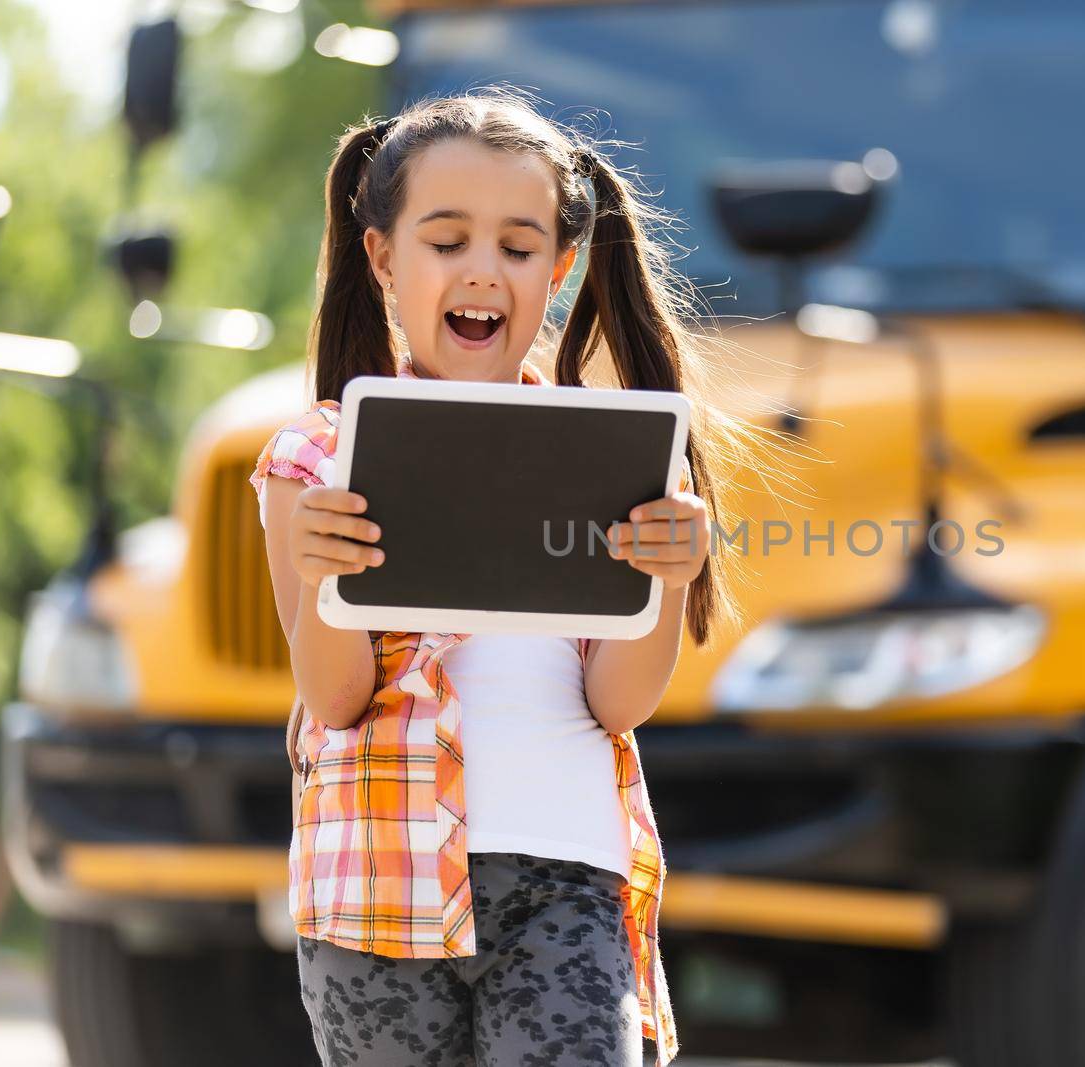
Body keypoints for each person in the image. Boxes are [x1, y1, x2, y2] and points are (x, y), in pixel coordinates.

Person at [249, 87, 747, 1067]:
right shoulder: (313, 458)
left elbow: (619, 701)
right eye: (447, 241)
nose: (484, 271)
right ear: (384, 256)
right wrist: (319, 573)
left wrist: (666, 575)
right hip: (374, 894)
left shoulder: (617, 457)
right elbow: (335, 695)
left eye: (518, 249)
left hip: (569, 880)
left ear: (560, 268)